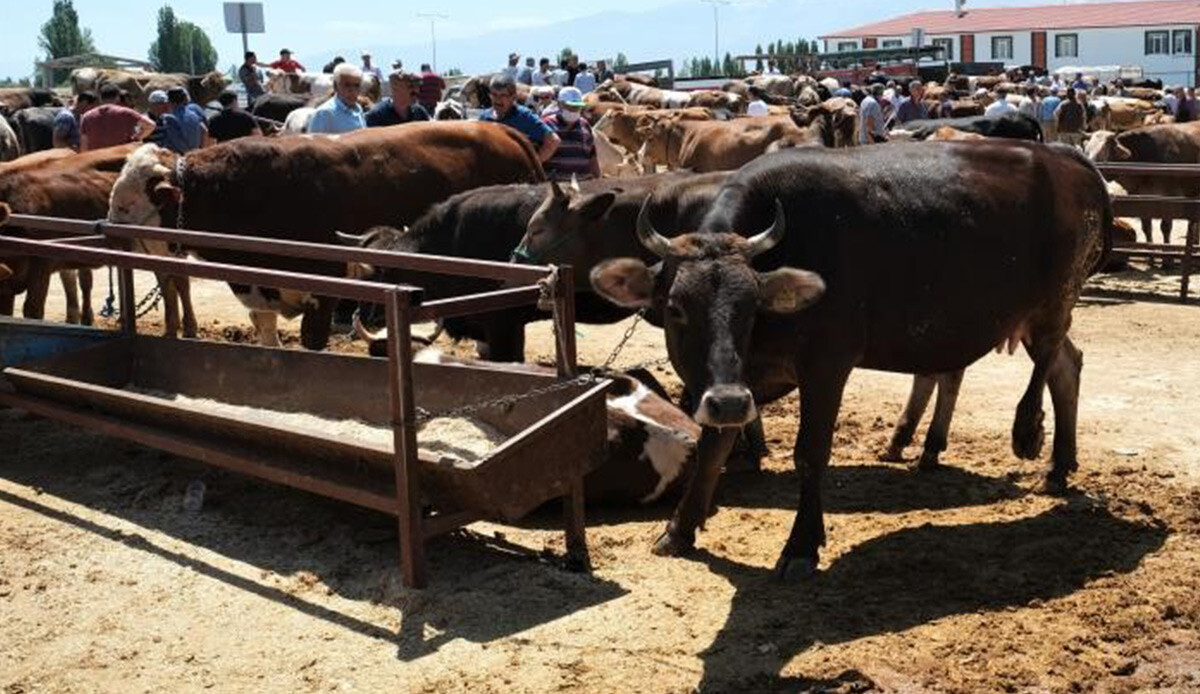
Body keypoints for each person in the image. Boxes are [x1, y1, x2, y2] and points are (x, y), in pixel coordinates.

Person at [479, 74, 560, 163]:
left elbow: (553, 140)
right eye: (494, 95)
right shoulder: (484, 118)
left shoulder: (524, 117)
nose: (497, 100)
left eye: (503, 95)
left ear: (513, 97)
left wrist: (533, 165)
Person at [541, 86, 599, 181]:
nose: (573, 110)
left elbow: (592, 156)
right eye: (570, 106)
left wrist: (597, 178)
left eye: (577, 107)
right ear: (559, 104)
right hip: (556, 188)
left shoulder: (585, 125)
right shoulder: (547, 124)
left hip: (583, 185)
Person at [79, 83, 156, 151]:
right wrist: (137, 138)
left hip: (97, 159)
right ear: (118, 97)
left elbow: (84, 144)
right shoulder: (126, 113)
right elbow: (151, 125)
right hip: (120, 158)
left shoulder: (87, 116)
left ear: (100, 97)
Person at [308, 63, 367, 134]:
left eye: (356, 86)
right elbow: (314, 143)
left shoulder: (358, 109)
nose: (352, 91)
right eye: (347, 85)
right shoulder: (324, 114)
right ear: (336, 86)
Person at [366, 71, 430, 126]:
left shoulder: (419, 113)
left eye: (418, 86)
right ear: (395, 89)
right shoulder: (377, 115)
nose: (416, 91)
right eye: (411, 86)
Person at [160, 87, 209, 154]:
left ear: (169, 102)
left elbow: (177, 141)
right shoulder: (194, 115)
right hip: (195, 153)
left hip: (179, 157)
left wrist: (188, 153)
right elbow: (204, 131)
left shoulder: (169, 118)